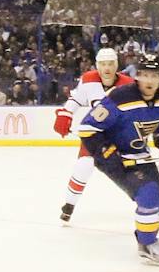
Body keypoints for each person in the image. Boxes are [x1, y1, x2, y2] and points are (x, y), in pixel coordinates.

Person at [75, 53, 159, 265]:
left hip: (140, 155)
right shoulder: (120, 97)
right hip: (113, 157)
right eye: (145, 75)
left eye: (154, 75)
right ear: (137, 77)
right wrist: (111, 156)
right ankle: (146, 245)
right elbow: (88, 128)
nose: (149, 80)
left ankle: (149, 237)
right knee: (149, 194)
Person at [54, 46, 135, 224]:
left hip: (120, 135)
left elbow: (137, 109)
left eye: (111, 64)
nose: (107, 68)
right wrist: (66, 114)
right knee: (84, 166)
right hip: (94, 134)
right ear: (97, 66)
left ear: (116, 65)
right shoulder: (88, 80)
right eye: (103, 64)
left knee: (131, 172)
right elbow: (76, 98)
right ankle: (69, 205)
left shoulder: (128, 84)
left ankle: (154, 204)